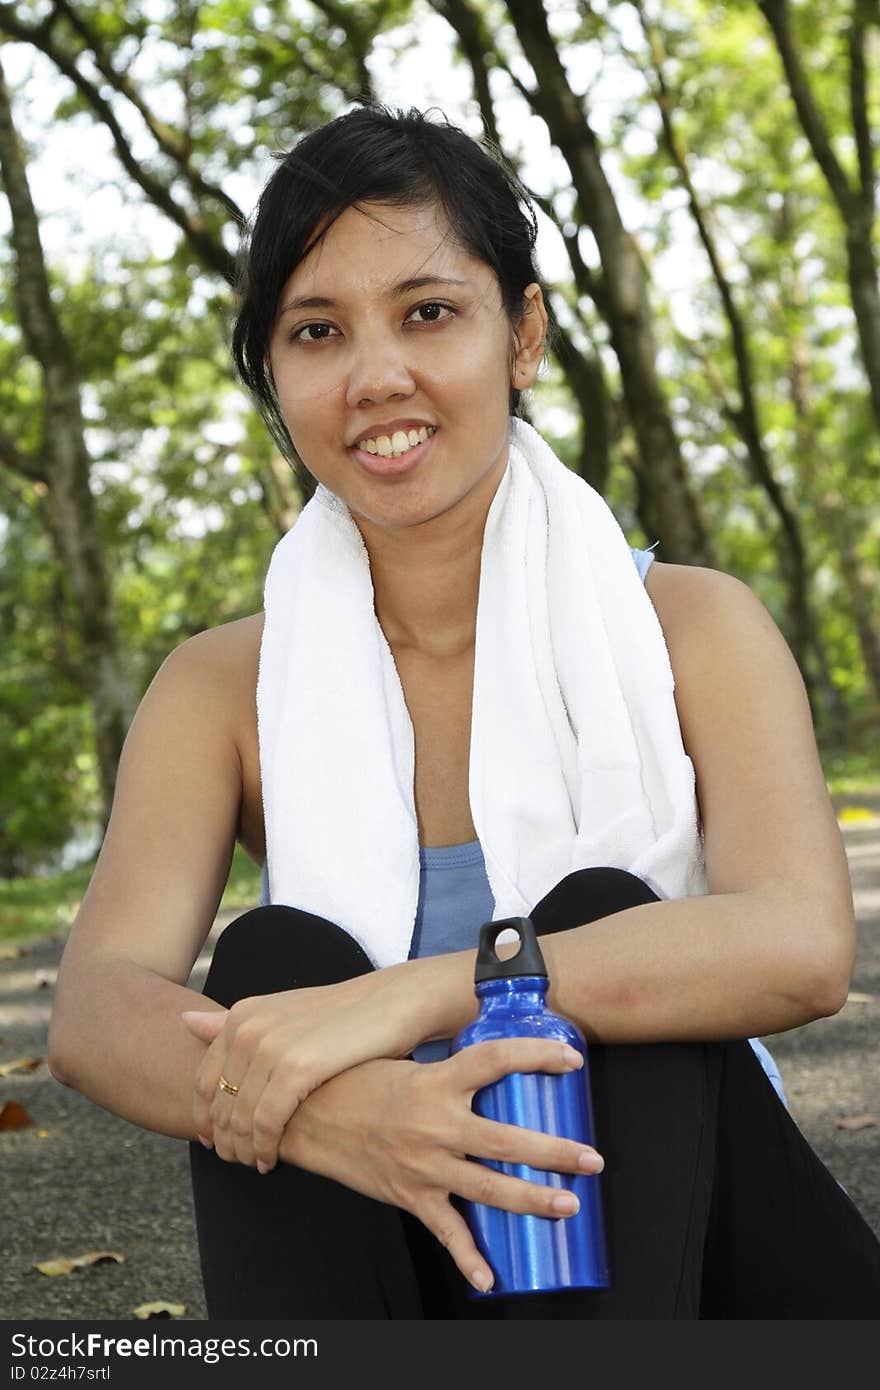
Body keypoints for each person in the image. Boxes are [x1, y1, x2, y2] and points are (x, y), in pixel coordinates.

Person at [48, 104, 880, 1320]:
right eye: (317, 331)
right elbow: (95, 1011)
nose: (377, 374)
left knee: (602, 925)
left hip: (694, 1241)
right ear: (274, 376)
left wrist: (427, 992)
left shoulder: (691, 626)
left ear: (523, 334)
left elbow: (801, 949)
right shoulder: (223, 685)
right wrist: (341, 1107)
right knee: (276, 966)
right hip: (403, 1243)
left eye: (428, 312)